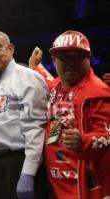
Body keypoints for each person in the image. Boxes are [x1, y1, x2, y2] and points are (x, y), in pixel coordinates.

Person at [29, 30, 110, 199]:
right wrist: (35, 66)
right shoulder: (58, 85)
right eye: (64, 57)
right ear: (54, 60)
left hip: (85, 187)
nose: (70, 62)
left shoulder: (99, 93)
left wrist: (84, 141)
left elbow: (106, 136)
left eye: (77, 56)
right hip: (56, 184)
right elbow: (48, 79)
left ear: (89, 59)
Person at [0, 30, 49, 199]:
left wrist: (28, 172)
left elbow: (36, 128)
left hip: (17, 164)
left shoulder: (28, 78)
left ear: (11, 49)